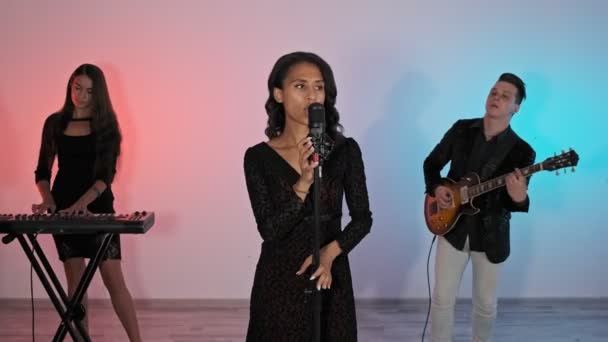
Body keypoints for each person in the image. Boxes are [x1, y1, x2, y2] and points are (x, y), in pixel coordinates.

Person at [243, 51, 373, 341]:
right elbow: (271, 230)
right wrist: (303, 182)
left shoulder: (345, 150)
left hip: (330, 278)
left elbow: (363, 219)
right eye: (300, 86)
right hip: (279, 281)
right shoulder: (258, 158)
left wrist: (328, 254)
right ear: (278, 94)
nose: (312, 95)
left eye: (319, 86)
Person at [32, 63, 142, 341]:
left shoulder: (107, 126)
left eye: (89, 91)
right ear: (70, 86)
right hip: (63, 209)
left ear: (98, 95)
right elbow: (43, 172)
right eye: (77, 88)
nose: (81, 95)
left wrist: (84, 203)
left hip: (98, 207)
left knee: (113, 280)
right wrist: (47, 199)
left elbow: (106, 176)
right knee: (75, 284)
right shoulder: (53, 123)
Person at [423, 73, 536, 341]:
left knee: (485, 304)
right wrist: (438, 188)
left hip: (490, 235)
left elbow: (513, 202)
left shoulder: (523, 151)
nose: (496, 98)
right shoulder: (461, 129)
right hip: (452, 227)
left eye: (505, 96)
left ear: (515, 108)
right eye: (494, 92)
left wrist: (519, 196)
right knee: (441, 298)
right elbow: (431, 164)